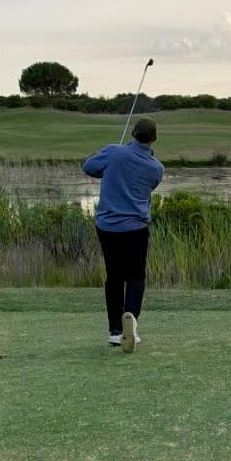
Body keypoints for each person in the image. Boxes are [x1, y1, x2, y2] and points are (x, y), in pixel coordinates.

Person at [82, 117, 164, 351]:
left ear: (133, 134)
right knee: (135, 277)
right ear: (153, 139)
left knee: (114, 277)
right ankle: (131, 322)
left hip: (107, 227)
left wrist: (111, 161)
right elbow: (147, 187)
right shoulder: (156, 168)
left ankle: (116, 332)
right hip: (135, 229)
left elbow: (88, 167)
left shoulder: (113, 152)